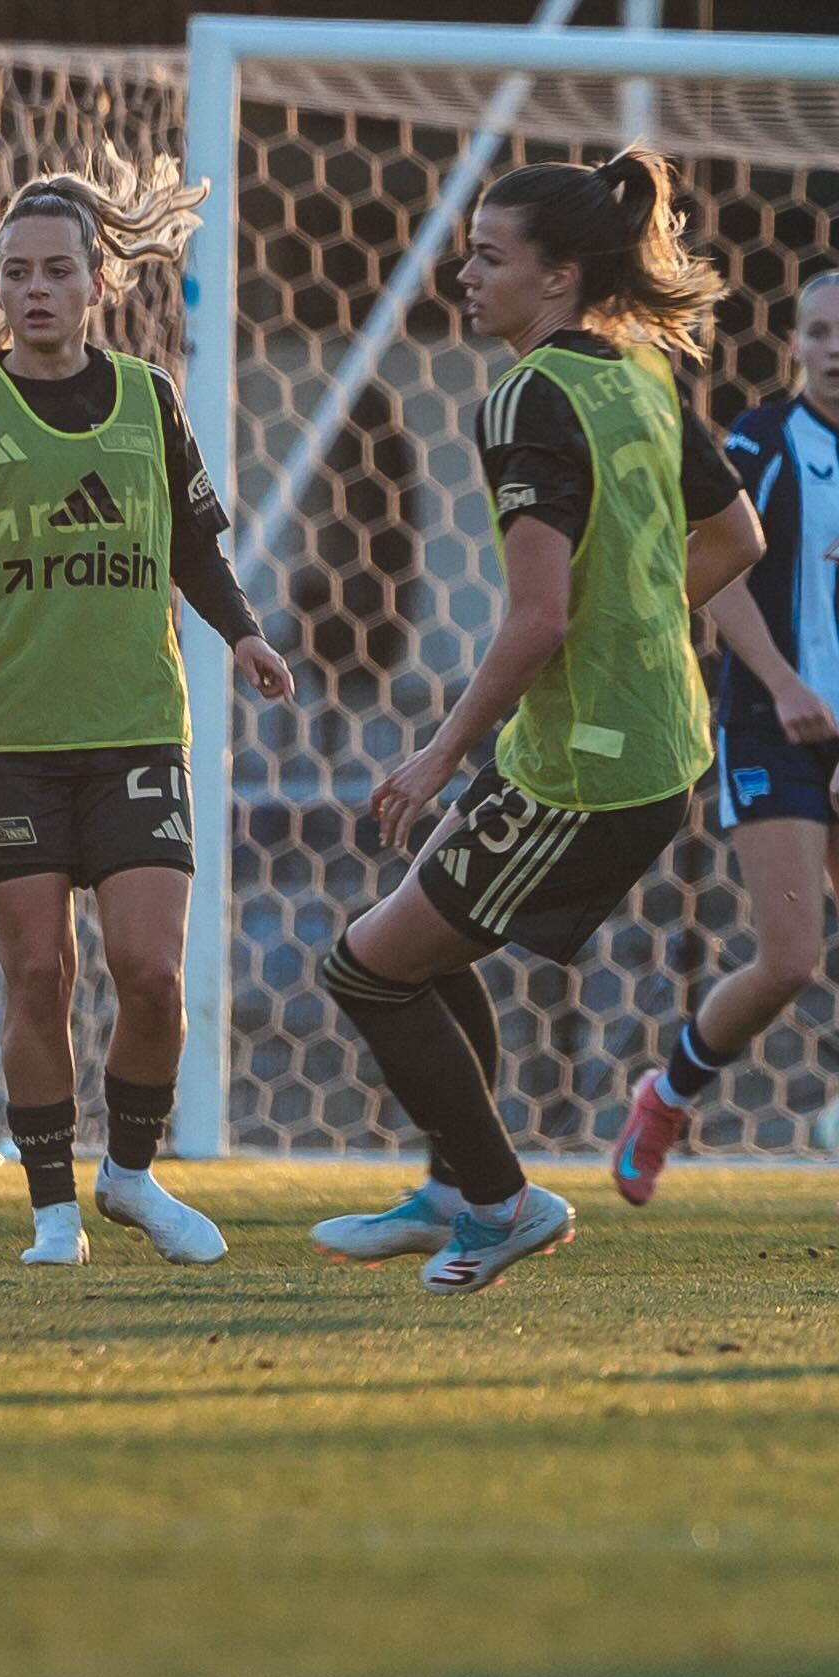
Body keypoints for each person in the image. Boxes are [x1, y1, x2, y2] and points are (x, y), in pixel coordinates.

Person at [0, 163, 304, 1267]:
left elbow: (196, 542)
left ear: (100, 281)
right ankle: (53, 1212)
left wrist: (240, 630)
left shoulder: (151, 399)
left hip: (138, 724)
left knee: (150, 973)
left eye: (56, 270)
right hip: (4, 738)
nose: (34, 289)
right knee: (37, 973)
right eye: (15, 273)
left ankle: (131, 1175)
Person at [312, 152, 756, 1294]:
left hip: (588, 770)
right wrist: (637, 630)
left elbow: (538, 617)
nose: (465, 272)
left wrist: (435, 751)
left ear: (557, 278)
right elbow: (736, 539)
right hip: (637, 741)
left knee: (364, 970)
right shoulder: (643, 372)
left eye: (489, 255)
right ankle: (461, 1188)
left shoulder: (527, 395)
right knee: (418, 941)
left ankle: (503, 1202)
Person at [621, 268, 839, 1221]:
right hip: (775, 723)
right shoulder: (761, 441)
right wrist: (782, 682)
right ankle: (667, 1096)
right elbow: (715, 571)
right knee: (792, 955)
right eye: (822, 332)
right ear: (797, 344)